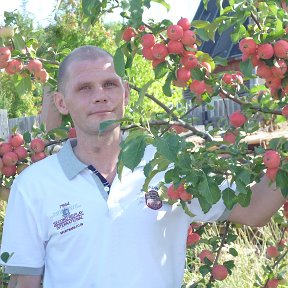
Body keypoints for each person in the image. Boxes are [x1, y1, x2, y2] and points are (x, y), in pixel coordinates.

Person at [0, 45, 286, 288]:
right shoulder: (33, 185)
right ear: (62, 102)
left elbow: (254, 209)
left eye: (109, 84)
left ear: (125, 92)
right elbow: (24, 283)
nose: (100, 95)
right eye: (84, 87)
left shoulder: (172, 166)